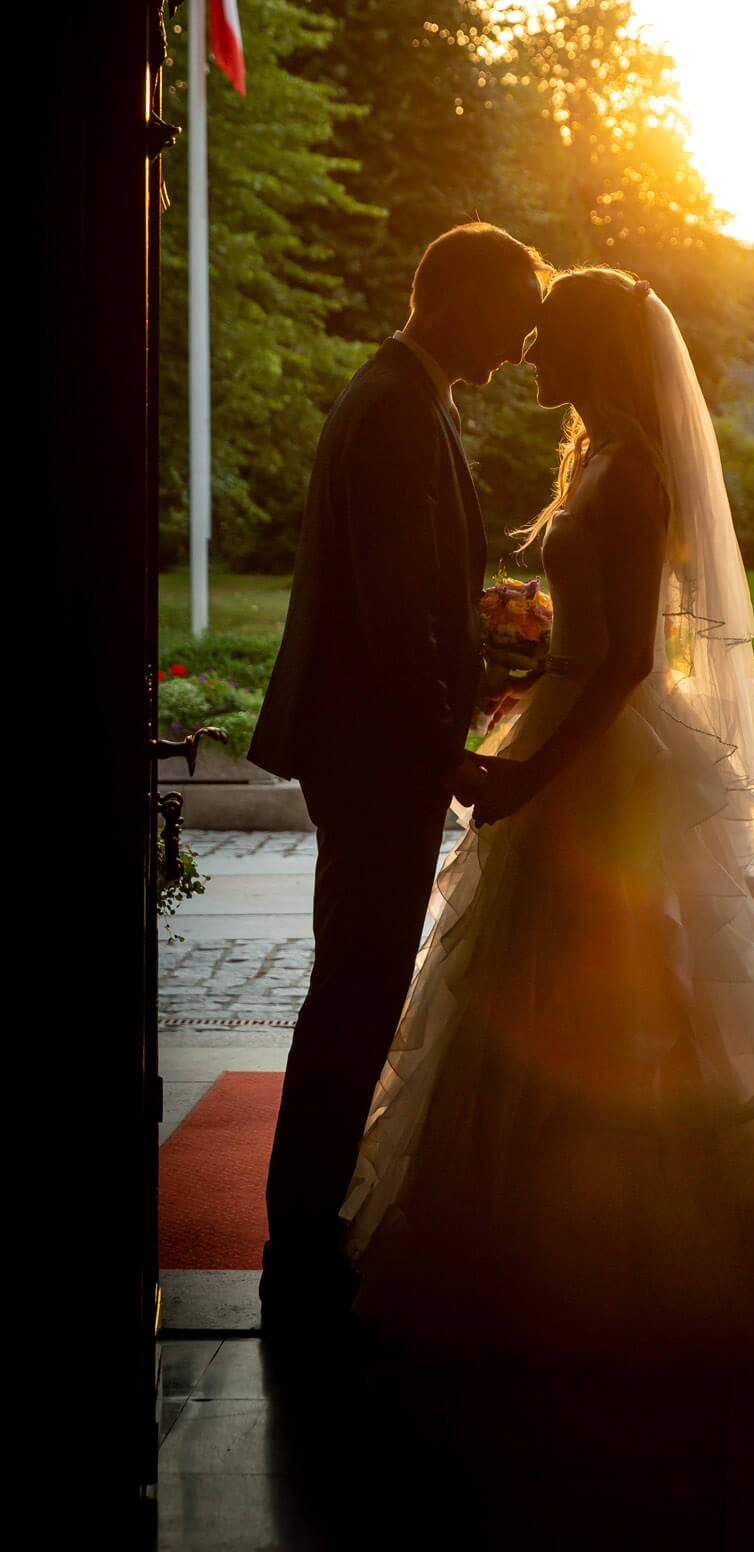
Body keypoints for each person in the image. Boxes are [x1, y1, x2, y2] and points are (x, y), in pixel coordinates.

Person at [341, 268, 754, 1366]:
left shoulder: (632, 473)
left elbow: (631, 658)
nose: (530, 353)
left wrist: (532, 779)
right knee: (525, 983)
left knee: (607, 979)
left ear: (591, 348)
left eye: (548, 338)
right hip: (558, 725)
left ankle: (614, 1256)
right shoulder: (596, 459)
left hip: (600, 759)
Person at [249, 221, 546, 1336]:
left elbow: (419, 595)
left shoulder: (402, 398)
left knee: (358, 984)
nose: (522, 342)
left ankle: (304, 1231)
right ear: (457, 295)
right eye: (513, 308)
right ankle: (300, 1244)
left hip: (375, 751)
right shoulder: (395, 411)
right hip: (377, 756)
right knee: (355, 993)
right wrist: (447, 752)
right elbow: (389, 614)